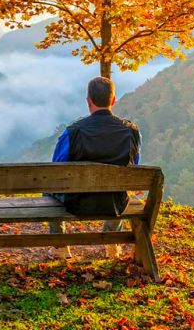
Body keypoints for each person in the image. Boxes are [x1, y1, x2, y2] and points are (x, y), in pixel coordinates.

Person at [49, 76, 141, 259]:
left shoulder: (72, 133)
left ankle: (60, 247)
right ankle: (112, 245)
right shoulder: (131, 132)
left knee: (50, 189)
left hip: (76, 203)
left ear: (88, 101)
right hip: (114, 202)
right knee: (120, 188)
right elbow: (134, 166)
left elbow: (55, 172)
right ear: (113, 100)